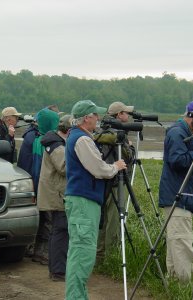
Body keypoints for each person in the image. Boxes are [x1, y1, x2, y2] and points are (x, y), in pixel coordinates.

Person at [64, 100, 127, 300]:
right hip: (83, 202)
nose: (98, 119)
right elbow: (98, 169)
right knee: (82, 253)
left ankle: (78, 296)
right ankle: (75, 297)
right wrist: (115, 166)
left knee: (80, 252)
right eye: (95, 115)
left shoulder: (78, 137)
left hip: (82, 200)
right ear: (86, 118)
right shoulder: (82, 139)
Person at [158, 100, 193, 282]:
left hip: (177, 195)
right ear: (192, 117)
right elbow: (177, 160)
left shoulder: (185, 133)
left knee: (175, 242)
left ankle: (174, 284)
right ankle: (187, 286)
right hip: (177, 196)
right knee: (181, 242)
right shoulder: (178, 132)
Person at [96, 101, 136, 259]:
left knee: (103, 219)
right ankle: (111, 256)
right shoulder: (117, 135)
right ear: (119, 115)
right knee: (114, 219)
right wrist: (131, 147)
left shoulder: (102, 131)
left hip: (102, 182)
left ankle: (99, 255)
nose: (128, 116)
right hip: (115, 183)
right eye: (126, 113)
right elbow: (129, 158)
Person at [37, 114, 72, 281]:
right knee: (61, 230)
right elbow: (64, 167)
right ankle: (58, 271)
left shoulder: (54, 142)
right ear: (69, 130)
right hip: (57, 193)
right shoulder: (57, 146)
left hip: (54, 191)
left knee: (57, 230)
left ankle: (57, 268)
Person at [31, 108, 60, 265]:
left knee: (42, 221)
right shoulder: (49, 143)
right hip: (48, 187)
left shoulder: (37, 140)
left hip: (37, 186)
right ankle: (43, 253)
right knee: (49, 222)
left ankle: (36, 251)